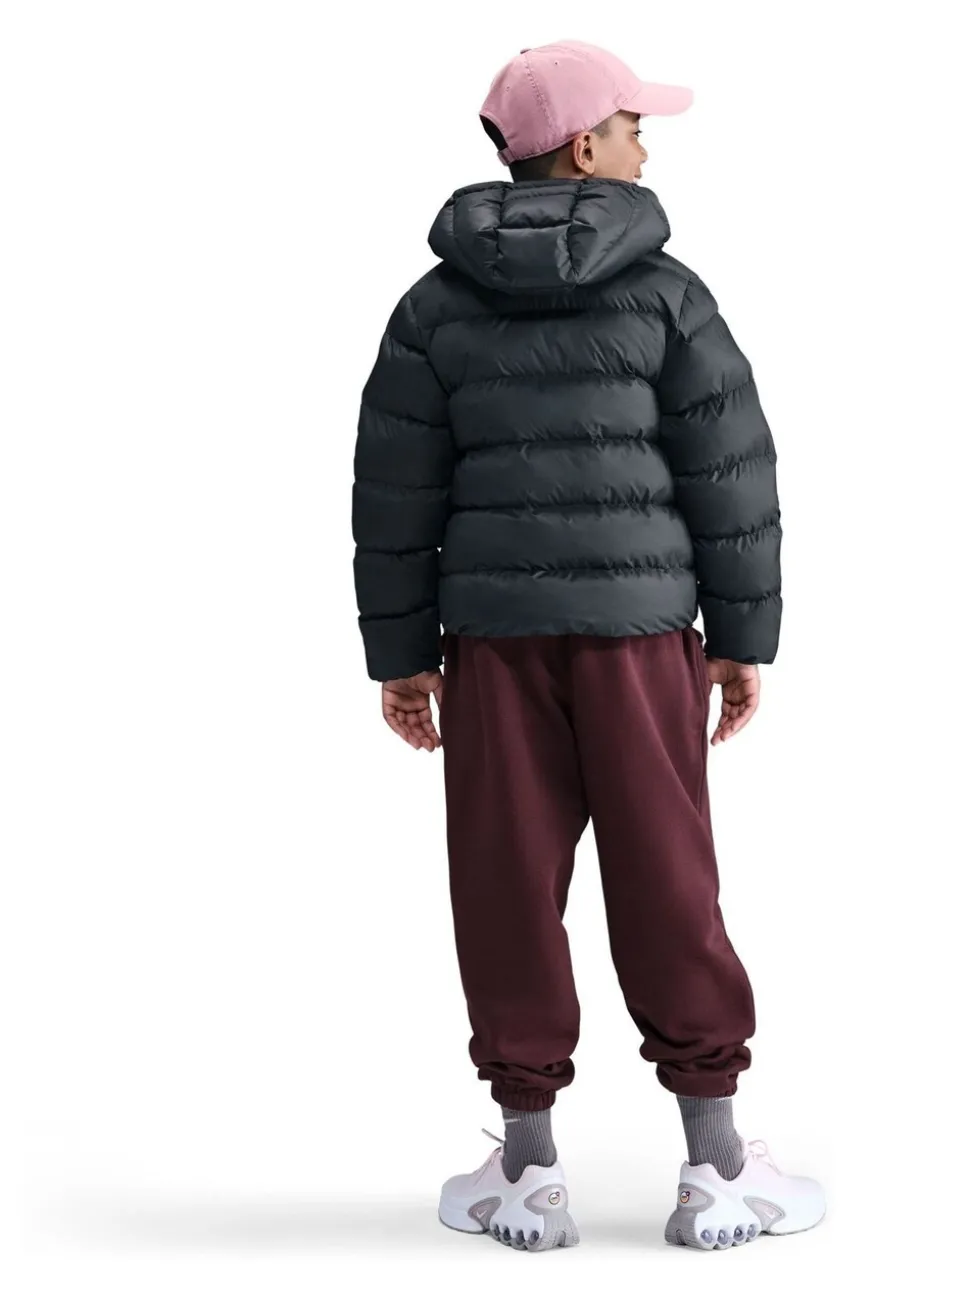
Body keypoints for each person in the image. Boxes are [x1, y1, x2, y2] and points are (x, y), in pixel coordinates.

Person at [351, 39, 824, 1253]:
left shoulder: (432, 307)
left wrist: (401, 654)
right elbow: (730, 472)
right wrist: (741, 636)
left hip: (492, 646)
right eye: (631, 125)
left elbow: (394, 492)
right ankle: (715, 1170)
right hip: (640, 638)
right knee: (669, 876)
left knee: (503, 883)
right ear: (582, 148)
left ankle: (528, 1172)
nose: (644, 145)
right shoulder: (668, 295)